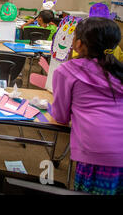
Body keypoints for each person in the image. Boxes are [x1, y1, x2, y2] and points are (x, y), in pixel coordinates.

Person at [51, 17, 123, 195]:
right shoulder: (119, 71)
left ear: (78, 43)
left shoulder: (66, 71)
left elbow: (60, 117)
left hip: (96, 149)